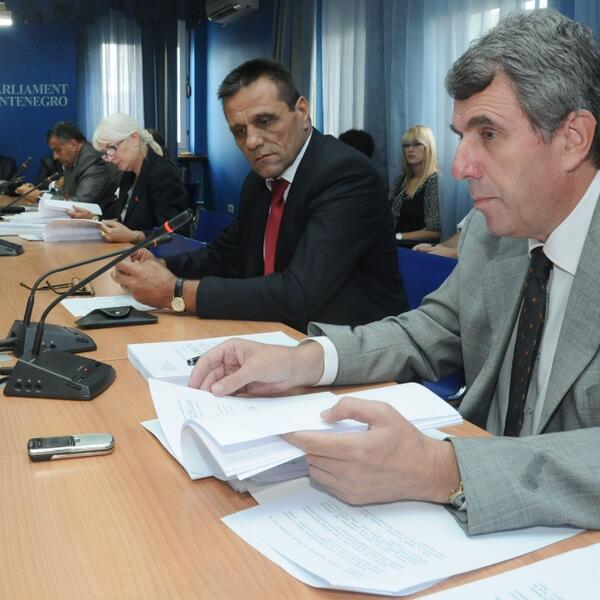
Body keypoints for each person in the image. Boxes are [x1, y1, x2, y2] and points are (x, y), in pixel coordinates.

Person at [188, 9, 600, 535]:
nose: (460, 167)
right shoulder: (492, 229)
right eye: (461, 135)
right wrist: (303, 361)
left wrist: (444, 470)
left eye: (489, 134)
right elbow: (431, 329)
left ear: (573, 138)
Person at [112, 58, 408, 333]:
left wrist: (175, 291)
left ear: (302, 112)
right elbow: (226, 256)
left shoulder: (347, 175)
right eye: (239, 131)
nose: (252, 141)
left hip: (351, 348)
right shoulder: (258, 182)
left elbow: (298, 294)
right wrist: (163, 266)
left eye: (265, 121)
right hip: (276, 334)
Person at [69, 114, 190, 244]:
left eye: (111, 148)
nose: (109, 158)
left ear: (134, 138)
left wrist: (134, 236)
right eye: (105, 153)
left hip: (151, 254)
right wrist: (94, 219)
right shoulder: (129, 173)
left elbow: (175, 233)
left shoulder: (162, 174)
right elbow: (124, 220)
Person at [15, 122, 120, 208]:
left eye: (58, 150)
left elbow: (81, 204)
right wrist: (37, 194)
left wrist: (39, 197)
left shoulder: (92, 162)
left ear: (73, 145)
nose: (55, 157)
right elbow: (64, 196)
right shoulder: (73, 160)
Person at [390, 124, 441, 245]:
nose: (410, 149)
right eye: (406, 145)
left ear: (428, 148)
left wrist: (398, 236)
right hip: (393, 244)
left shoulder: (433, 181)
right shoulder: (400, 180)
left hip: (415, 248)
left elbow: (434, 232)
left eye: (417, 144)